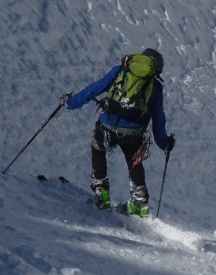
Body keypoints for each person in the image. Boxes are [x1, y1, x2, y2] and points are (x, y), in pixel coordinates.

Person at [65, 48, 175, 215]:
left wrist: (70, 103)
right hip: (133, 133)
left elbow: (94, 89)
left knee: (98, 147)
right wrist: (165, 144)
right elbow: (158, 119)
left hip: (107, 126)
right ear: (156, 68)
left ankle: (101, 192)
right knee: (134, 160)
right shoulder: (155, 86)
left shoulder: (120, 71)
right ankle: (138, 202)